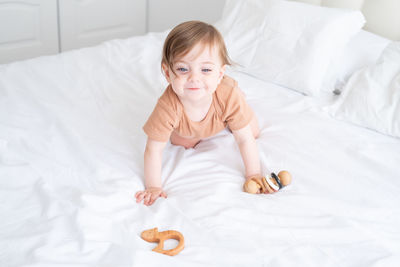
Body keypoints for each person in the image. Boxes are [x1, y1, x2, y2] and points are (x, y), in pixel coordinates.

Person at [135, 21, 261, 206]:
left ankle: (237, 106)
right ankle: (202, 129)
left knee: (252, 132)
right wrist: (154, 186)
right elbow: (153, 149)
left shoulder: (226, 95)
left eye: (206, 70)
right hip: (188, 128)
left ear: (219, 73)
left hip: (223, 110)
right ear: (167, 73)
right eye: (183, 69)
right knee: (182, 142)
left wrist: (254, 174)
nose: (194, 78)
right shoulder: (167, 106)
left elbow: (244, 140)